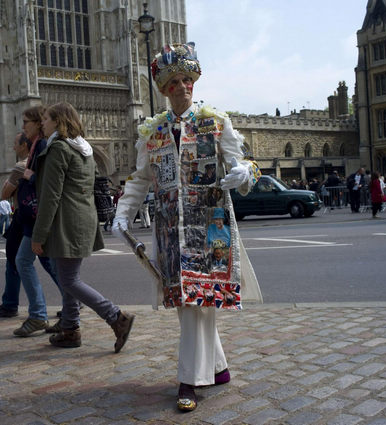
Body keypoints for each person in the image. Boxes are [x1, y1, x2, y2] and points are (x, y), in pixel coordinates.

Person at [111, 42, 261, 412]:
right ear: (163, 89)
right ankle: (219, 368)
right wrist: (123, 213)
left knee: (199, 303)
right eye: (174, 81)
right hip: (171, 234)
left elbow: (244, 163)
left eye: (187, 79)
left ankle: (189, 381)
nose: (182, 86)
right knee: (189, 304)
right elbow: (139, 179)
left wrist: (244, 173)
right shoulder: (154, 132)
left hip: (210, 232)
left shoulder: (215, 121)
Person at [31, 102, 135, 352]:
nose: (42, 123)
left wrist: (39, 234)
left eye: (45, 119)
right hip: (81, 218)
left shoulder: (58, 149)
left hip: (66, 221)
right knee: (67, 276)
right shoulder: (84, 149)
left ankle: (116, 317)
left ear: (58, 121)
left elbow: (51, 195)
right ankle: (70, 329)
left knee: (68, 279)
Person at [0, 132, 61, 324]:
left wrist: (9, 184)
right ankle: (70, 299)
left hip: (24, 219)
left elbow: (4, 193)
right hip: (38, 218)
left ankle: (13, 304)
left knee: (15, 261)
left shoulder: (21, 167)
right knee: (45, 261)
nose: (13, 147)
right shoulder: (38, 165)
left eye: (15, 143)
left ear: (24, 146)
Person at [10, 106, 62, 337]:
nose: (23, 127)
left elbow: (49, 181)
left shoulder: (41, 146)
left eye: (26, 122)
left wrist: (31, 177)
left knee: (24, 261)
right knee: (45, 263)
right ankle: (61, 311)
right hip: (33, 217)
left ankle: (40, 315)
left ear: (37, 123)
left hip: (36, 216)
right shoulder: (36, 146)